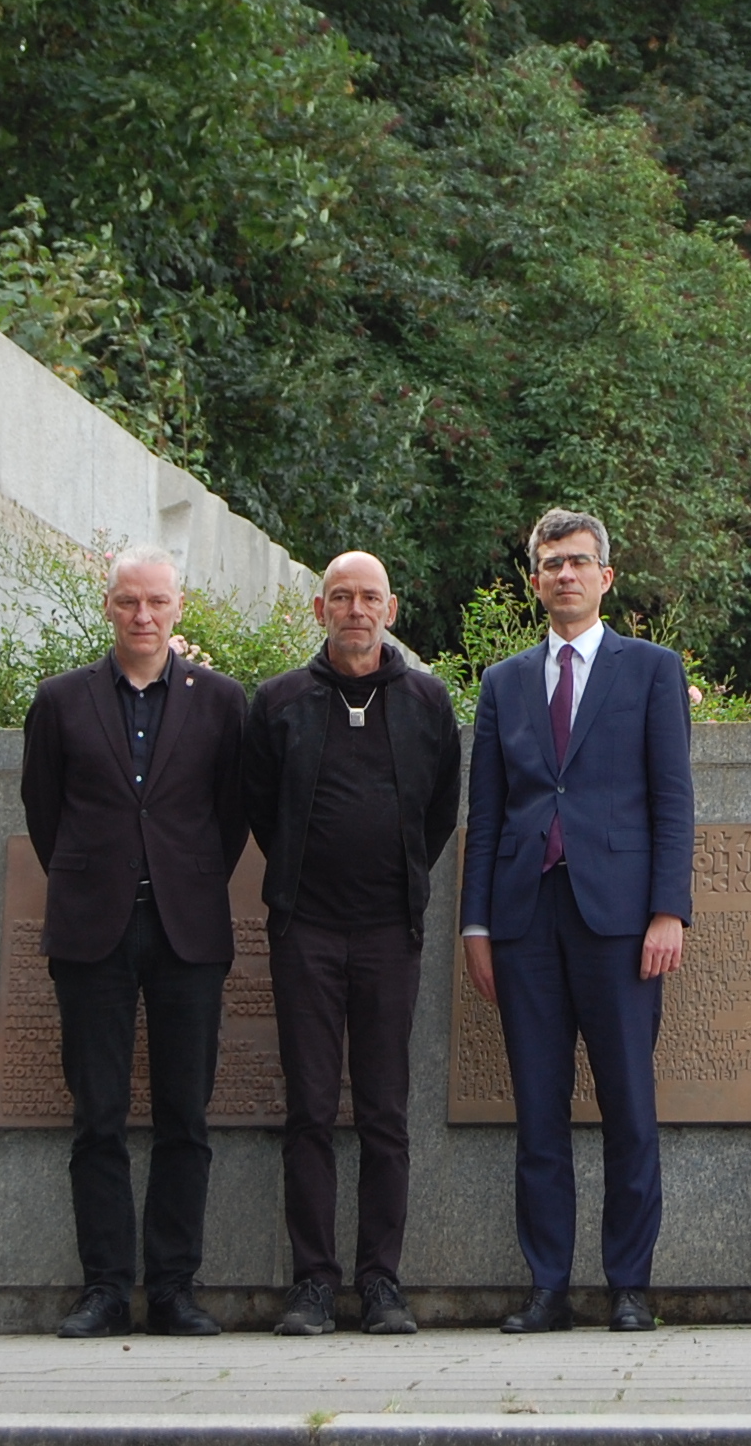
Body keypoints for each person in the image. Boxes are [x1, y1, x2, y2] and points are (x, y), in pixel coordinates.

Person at [459, 507, 693, 1334]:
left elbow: (672, 799)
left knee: (629, 1104)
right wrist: (475, 925)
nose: (566, 573)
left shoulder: (652, 670)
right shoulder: (503, 683)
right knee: (538, 1111)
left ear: (606, 577)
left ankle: (629, 1285)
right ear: (534, 581)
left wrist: (669, 910)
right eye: (552, 562)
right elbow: (486, 813)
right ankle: (547, 1287)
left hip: (622, 922)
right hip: (525, 920)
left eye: (579, 561)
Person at [18, 547, 248, 1340]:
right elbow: (44, 810)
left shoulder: (222, 701)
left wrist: (184, 878)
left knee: (186, 1115)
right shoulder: (61, 700)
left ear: (179, 607)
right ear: (108, 607)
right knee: (98, 1116)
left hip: (188, 931)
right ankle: (106, 1289)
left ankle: (175, 1290)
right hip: (92, 932)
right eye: (127, 602)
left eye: (155, 602)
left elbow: (232, 814)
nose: (142, 616)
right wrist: (94, 879)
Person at [239, 551, 459, 1338]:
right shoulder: (279, 702)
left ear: (390, 611)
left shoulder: (427, 701)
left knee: (385, 1110)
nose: (355, 610)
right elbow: (260, 806)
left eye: (369, 597)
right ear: (319, 610)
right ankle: (312, 1284)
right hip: (306, 931)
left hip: (389, 933)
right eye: (340, 597)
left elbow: (440, 810)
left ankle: (381, 1282)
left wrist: (398, 875)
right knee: (307, 1109)